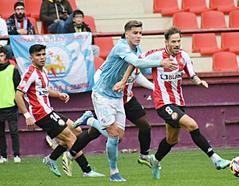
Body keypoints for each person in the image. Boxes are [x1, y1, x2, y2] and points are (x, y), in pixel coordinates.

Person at [66, 20, 176, 182]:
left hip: (118, 97)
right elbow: (137, 62)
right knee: (113, 134)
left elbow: (143, 69)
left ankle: (89, 119)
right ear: (126, 34)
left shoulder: (137, 49)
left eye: (140, 33)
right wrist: (160, 62)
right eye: (135, 33)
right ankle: (113, 172)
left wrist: (163, 61)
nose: (138, 36)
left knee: (118, 138)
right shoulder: (121, 47)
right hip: (102, 94)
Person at [117, 27, 231, 180]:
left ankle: (155, 161)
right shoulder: (156, 55)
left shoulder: (184, 56)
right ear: (166, 42)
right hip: (162, 103)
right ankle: (215, 159)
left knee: (172, 139)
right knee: (192, 125)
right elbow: (135, 61)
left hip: (178, 102)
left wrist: (199, 81)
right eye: (173, 41)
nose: (177, 44)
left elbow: (192, 74)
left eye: (178, 41)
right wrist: (123, 81)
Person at [15, 44, 104, 177]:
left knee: (77, 130)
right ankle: (87, 170)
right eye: (38, 55)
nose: (42, 57)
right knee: (70, 138)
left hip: (49, 111)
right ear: (31, 58)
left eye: (43, 54)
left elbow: (43, 91)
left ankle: (51, 158)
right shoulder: (30, 74)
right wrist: (27, 115)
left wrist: (58, 95)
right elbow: (18, 95)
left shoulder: (43, 71)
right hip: (41, 114)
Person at [73, 66, 155, 168]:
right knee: (95, 133)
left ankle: (144, 156)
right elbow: (97, 76)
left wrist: (154, 87)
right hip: (110, 102)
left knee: (145, 126)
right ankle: (72, 152)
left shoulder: (134, 61)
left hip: (128, 101)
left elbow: (137, 76)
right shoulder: (114, 61)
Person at [0, 47, 21, 163]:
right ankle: (3, 155)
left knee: (14, 132)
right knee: (0, 134)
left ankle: (17, 155)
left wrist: (18, 102)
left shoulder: (13, 70)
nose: (0, 58)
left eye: (1, 55)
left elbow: (18, 88)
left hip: (11, 106)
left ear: (6, 56)